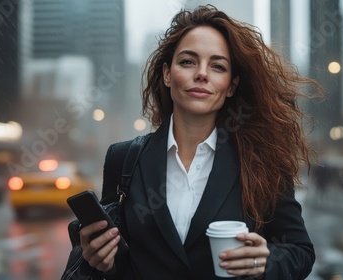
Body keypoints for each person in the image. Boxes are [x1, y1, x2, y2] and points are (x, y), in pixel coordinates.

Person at [78, 5, 320, 279]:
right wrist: (102, 261)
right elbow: (118, 260)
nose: (202, 73)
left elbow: (300, 251)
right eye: (188, 61)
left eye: (217, 66)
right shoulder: (123, 160)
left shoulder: (263, 162)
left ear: (230, 85)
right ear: (168, 74)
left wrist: (265, 262)